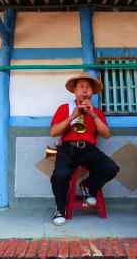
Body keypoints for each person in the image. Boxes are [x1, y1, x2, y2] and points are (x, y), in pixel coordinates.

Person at [50, 73, 120, 226]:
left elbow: (107, 134)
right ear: (75, 91)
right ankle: (60, 209)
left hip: (89, 149)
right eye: (81, 87)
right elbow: (54, 132)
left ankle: (87, 185)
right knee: (60, 175)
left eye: (88, 87)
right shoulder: (64, 108)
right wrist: (71, 116)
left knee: (111, 167)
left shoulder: (96, 112)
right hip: (68, 149)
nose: (84, 90)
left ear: (92, 92)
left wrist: (93, 115)